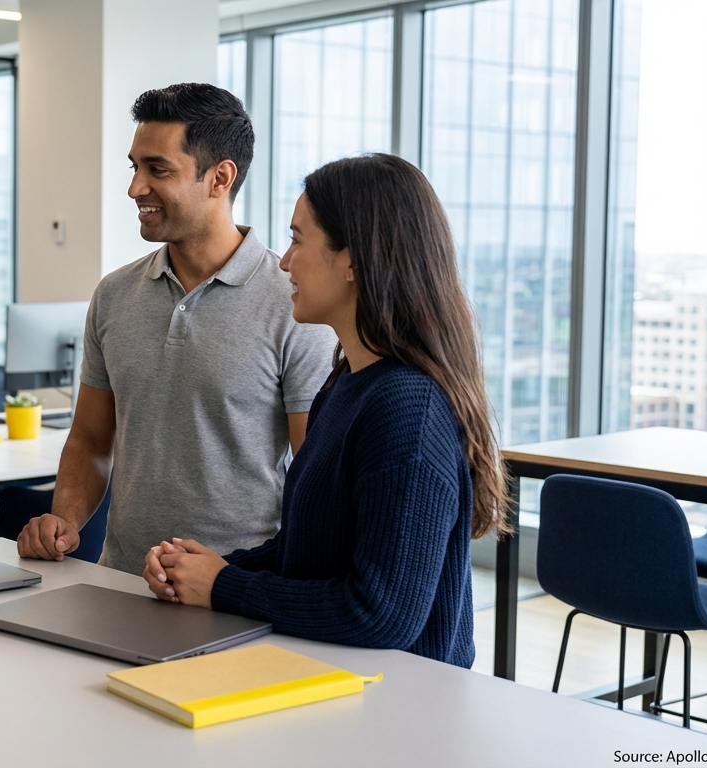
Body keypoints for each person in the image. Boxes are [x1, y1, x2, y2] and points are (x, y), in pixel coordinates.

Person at [142, 153, 511, 668]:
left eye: (297, 239)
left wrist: (225, 586)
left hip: (404, 711)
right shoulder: (347, 384)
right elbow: (307, 552)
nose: (285, 262)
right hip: (341, 682)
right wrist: (205, 568)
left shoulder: (408, 410)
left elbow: (381, 614)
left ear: (355, 260)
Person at [17, 83, 338, 570]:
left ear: (220, 178)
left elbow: (313, 476)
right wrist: (65, 519)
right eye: (135, 167)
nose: (135, 188)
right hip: (120, 582)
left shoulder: (293, 303)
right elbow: (89, 439)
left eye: (158, 169)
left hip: (237, 588)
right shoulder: (114, 295)